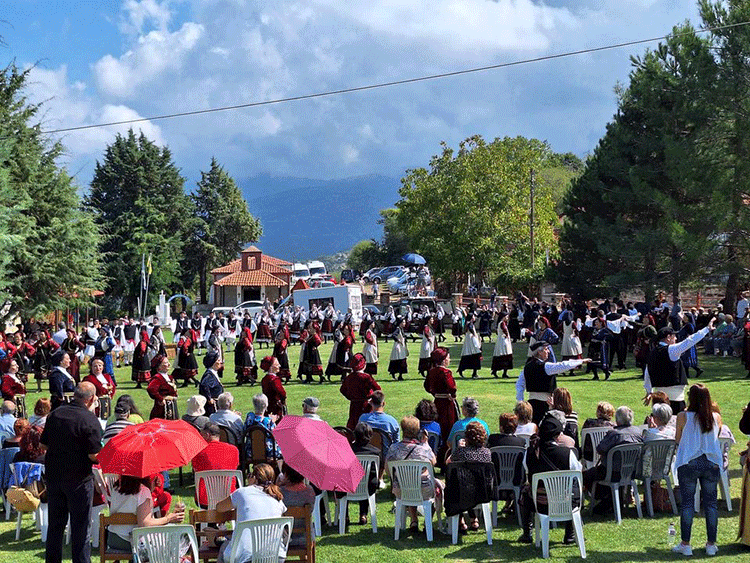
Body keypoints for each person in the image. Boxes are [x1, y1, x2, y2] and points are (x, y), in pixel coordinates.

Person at [41, 382, 102, 563]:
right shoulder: (89, 419)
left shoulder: (55, 414)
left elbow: (43, 445)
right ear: (91, 399)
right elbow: (93, 455)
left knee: (55, 527)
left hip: (55, 478)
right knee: (81, 529)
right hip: (78, 480)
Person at [672, 384, 722, 556]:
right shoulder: (716, 417)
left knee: (687, 503)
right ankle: (711, 544)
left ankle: (686, 544)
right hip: (710, 462)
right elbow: (717, 434)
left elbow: (677, 439)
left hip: (689, 461)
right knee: (711, 504)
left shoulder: (683, 416)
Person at [517, 414, 581, 544]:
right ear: (558, 436)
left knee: (524, 490)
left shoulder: (530, 453)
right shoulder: (568, 454)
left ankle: (526, 532)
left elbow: (527, 472)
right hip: (564, 502)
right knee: (574, 487)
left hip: (538, 503)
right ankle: (570, 533)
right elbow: (578, 472)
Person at [215, 463, 286, 563]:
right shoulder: (278, 499)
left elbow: (219, 508)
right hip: (275, 555)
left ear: (255, 478)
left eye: (250, 476)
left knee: (224, 546)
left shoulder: (242, 493)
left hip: (246, 556)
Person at [644, 318, 715, 415]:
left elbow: (647, 373)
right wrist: (707, 329)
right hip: (675, 398)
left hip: (658, 396)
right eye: (674, 336)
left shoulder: (652, 352)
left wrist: (649, 391)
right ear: (668, 337)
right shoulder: (671, 350)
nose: (676, 339)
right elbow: (690, 341)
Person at [385, 416, 443, 533]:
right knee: (435, 485)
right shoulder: (423, 449)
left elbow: (387, 469)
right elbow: (434, 462)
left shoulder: (394, 448)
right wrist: (425, 443)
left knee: (410, 483)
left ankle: (414, 520)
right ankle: (428, 522)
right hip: (423, 490)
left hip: (401, 488)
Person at [516, 341, 590, 424]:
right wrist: (581, 361)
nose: (548, 351)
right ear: (539, 352)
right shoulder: (546, 366)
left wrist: (521, 401)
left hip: (531, 404)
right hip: (545, 404)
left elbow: (519, 385)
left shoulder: (526, 367)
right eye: (546, 349)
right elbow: (562, 365)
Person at [106, 474, 185, 552]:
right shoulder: (142, 491)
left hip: (113, 538)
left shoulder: (116, 488)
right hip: (131, 541)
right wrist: (168, 519)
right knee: (176, 535)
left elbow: (131, 502)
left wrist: (150, 490)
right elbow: (145, 523)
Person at [447, 421, 491, 532]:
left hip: (464, 490)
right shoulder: (487, 453)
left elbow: (448, 462)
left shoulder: (461, 452)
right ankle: (474, 519)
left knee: (457, 484)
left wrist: (458, 448)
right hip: (483, 490)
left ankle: (461, 521)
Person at [192, 422, 240, 508]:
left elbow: (196, 471)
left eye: (202, 435)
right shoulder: (234, 450)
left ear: (207, 434)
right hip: (230, 498)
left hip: (205, 499)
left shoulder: (198, 451)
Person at [423, 347, 459, 445]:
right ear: (443, 360)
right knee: (448, 425)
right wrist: (452, 395)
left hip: (437, 401)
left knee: (438, 422)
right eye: (448, 357)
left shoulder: (431, 371)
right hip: (447, 403)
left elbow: (426, 386)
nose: (449, 359)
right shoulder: (445, 372)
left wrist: (435, 394)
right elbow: (452, 387)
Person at [340, 353, 381, 430]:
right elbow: (377, 388)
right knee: (366, 424)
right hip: (366, 405)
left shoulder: (349, 377)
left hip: (354, 404)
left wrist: (351, 397)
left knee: (353, 422)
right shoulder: (366, 377)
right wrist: (371, 397)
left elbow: (342, 390)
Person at [277, 462, 316, 541]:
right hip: (306, 537)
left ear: (286, 475)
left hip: (284, 539)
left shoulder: (279, 493)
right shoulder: (309, 491)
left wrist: (278, 485)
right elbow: (310, 510)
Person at [244, 393, 282, 460]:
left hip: (250, 452)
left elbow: (244, 430)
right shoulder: (269, 422)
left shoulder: (249, 418)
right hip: (268, 453)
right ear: (266, 405)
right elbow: (277, 438)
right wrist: (273, 421)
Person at [146, 354, 178, 420]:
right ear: (159, 366)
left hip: (171, 406)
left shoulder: (169, 377)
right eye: (166, 363)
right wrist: (161, 398)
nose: (169, 364)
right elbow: (151, 389)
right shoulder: (158, 378)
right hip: (162, 408)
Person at [199, 350, 224, 417]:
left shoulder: (213, 373)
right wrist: (209, 398)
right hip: (212, 407)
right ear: (213, 363)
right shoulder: (209, 375)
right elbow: (204, 385)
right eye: (218, 361)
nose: (220, 362)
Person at [457, 314, 482, 379]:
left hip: (470, 342)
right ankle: (473, 373)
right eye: (473, 316)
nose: (474, 318)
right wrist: (475, 335)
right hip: (471, 342)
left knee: (474, 355)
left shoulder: (469, 324)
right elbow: (471, 330)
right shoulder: (469, 324)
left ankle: (474, 373)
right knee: (475, 354)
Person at [491, 312, 514, 378]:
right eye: (506, 316)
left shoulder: (502, 323)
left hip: (502, 341)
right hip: (503, 341)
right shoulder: (502, 323)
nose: (507, 318)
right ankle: (502, 372)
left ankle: (498, 371)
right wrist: (506, 335)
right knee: (505, 356)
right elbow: (504, 331)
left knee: (502, 356)